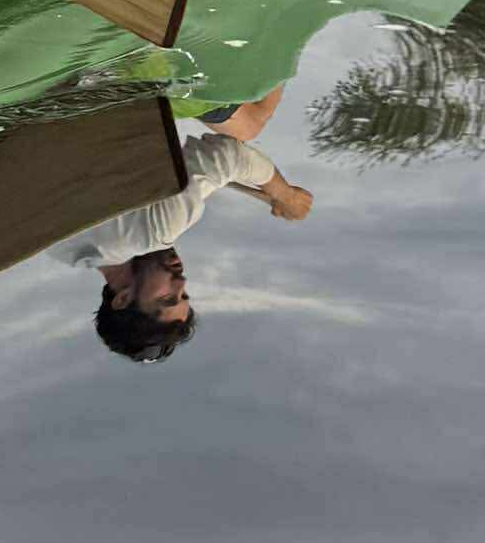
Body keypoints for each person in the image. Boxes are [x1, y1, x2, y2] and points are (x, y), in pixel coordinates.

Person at [68, 85, 313, 360]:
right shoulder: (59, 246)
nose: (181, 281)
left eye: (167, 298)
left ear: (122, 299)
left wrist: (284, 194)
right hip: (68, 99)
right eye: (183, 295)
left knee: (251, 123)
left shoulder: (153, 234)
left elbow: (230, 155)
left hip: (118, 83)